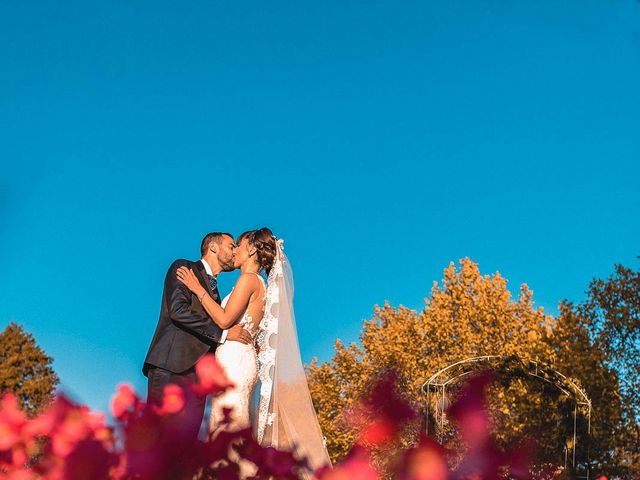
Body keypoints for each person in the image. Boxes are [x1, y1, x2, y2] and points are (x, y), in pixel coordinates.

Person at [177, 228, 331, 477]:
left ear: (250, 249)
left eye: (237, 244)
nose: (234, 250)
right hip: (240, 359)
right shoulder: (260, 285)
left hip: (235, 362)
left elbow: (225, 320)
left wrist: (197, 289)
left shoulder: (248, 280)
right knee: (233, 426)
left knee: (228, 429)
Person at [143, 232, 252, 442]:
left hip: (198, 382)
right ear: (213, 247)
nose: (235, 251)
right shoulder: (184, 267)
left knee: (184, 451)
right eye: (231, 246)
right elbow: (178, 310)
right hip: (171, 368)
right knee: (157, 442)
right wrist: (224, 334)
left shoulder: (217, 295)